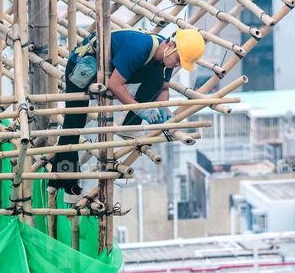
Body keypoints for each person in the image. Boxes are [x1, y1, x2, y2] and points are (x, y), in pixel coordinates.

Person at [49, 28, 206, 196]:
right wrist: (140, 109)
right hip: (84, 66)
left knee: (156, 78)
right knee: (74, 123)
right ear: (171, 45)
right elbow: (114, 84)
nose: (177, 65)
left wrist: (162, 107)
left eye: (181, 63)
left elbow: (163, 87)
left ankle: (129, 126)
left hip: (109, 70)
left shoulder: (163, 56)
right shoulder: (140, 48)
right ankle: (65, 179)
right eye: (178, 60)